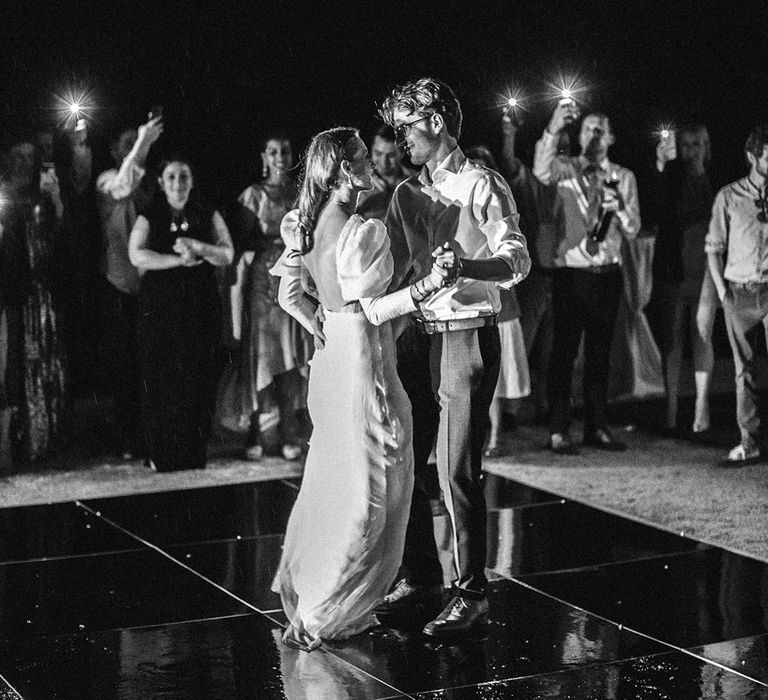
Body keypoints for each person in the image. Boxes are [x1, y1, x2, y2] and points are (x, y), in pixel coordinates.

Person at [269, 126, 454, 650]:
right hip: (366, 370)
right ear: (346, 170)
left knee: (337, 487)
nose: (375, 163)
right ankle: (330, 608)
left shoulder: (302, 226)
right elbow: (374, 310)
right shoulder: (360, 232)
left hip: (332, 365)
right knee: (375, 491)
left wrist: (322, 324)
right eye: (362, 159)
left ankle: (318, 600)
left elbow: (288, 294)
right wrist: (425, 287)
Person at [377, 78, 530, 637]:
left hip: (468, 331)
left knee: (457, 470)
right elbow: (389, 272)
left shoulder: (484, 184)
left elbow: (518, 261)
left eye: (407, 128)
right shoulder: (404, 194)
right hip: (418, 335)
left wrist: (467, 266)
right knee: (411, 463)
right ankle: (420, 578)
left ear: (436, 122)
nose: (399, 140)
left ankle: (472, 593)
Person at [533, 103, 641, 454]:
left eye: (600, 129)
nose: (593, 134)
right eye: (588, 129)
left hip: (607, 274)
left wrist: (619, 206)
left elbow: (633, 228)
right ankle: (558, 428)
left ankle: (597, 425)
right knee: (564, 352)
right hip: (571, 273)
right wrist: (552, 127)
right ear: (579, 136)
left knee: (600, 353)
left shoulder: (623, 177)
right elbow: (540, 170)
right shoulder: (566, 169)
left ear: (611, 137)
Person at [128, 156, 234, 471]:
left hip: (200, 306)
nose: (178, 183)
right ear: (161, 182)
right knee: (162, 377)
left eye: (184, 176)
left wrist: (198, 248)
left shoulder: (206, 211)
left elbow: (226, 253)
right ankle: (161, 452)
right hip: (160, 309)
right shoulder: (151, 213)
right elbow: (136, 254)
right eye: (171, 177)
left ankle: (193, 451)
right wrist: (177, 260)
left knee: (198, 374)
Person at [232, 134, 308, 461]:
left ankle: (291, 427)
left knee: (293, 354)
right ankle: (262, 429)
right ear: (264, 155)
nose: (280, 156)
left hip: (296, 273)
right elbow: (243, 245)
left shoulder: (303, 193)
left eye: (285, 150)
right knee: (263, 355)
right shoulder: (253, 195)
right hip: (263, 281)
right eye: (273, 151)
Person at [96, 116, 163, 460]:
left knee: (151, 362)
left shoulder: (152, 183)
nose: (133, 150)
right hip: (119, 282)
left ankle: (152, 432)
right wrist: (144, 142)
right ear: (112, 150)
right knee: (124, 365)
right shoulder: (107, 179)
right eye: (126, 144)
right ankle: (127, 437)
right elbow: (123, 185)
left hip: (150, 283)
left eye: (134, 144)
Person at [0, 138, 68, 466]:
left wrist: (56, 200)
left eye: (31, 156)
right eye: (19, 156)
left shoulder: (42, 196)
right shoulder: (4, 195)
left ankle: (46, 436)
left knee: (46, 361)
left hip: (43, 292)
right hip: (15, 293)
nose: (26, 162)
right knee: (18, 364)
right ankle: (20, 439)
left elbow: (57, 237)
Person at [646, 125, 716, 433]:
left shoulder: (716, 179)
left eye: (699, 143)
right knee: (672, 339)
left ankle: (702, 406)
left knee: (702, 336)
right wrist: (661, 167)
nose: (693, 149)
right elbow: (656, 211)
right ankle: (671, 407)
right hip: (674, 269)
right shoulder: (670, 181)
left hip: (705, 270)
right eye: (687, 144)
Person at [705, 125, 768, 467]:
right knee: (744, 372)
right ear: (752, 156)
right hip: (739, 291)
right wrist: (721, 292)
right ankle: (750, 441)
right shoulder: (729, 197)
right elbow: (713, 248)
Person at [464, 144, 531, 457]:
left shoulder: (500, 210)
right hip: (472, 305)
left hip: (502, 305)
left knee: (501, 375)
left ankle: (497, 435)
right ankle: (480, 437)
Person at [500, 112, 558, 423]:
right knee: (527, 339)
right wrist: (508, 135)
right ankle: (512, 409)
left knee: (553, 347)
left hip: (562, 271)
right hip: (535, 275)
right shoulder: (526, 184)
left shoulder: (565, 182)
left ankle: (545, 405)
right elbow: (510, 165)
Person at [357, 124, 411, 220]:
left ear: (402, 153)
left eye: (390, 155)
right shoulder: (357, 185)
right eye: (378, 153)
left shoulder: (416, 183)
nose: (383, 161)